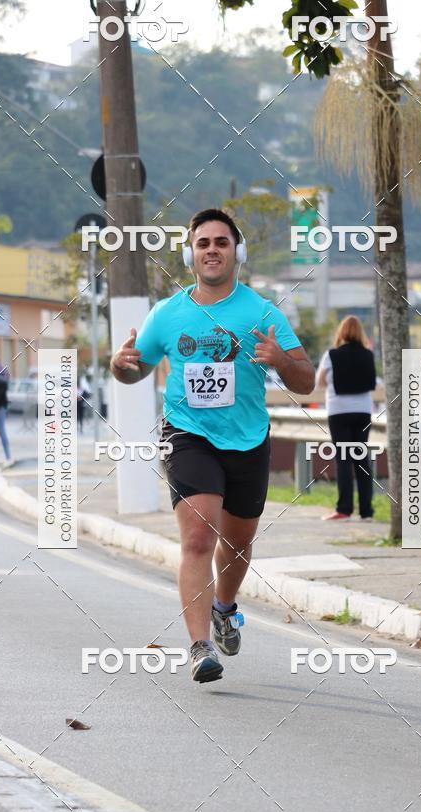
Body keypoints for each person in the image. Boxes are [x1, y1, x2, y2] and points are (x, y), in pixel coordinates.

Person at [110, 208, 315, 683]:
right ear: (190, 254)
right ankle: (201, 646)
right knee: (199, 535)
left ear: (236, 253)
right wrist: (120, 364)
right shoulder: (167, 313)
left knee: (238, 543)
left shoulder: (262, 312)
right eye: (203, 243)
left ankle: (224, 607)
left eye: (221, 242)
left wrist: (281, 359)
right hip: (187, 435)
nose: (212, 251)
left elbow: (304, 381)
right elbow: (133, 370)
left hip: (246, 439)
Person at [316, 315, 376, 521]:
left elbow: (320, 381)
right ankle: (366, 511)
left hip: (338, 411)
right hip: (363, 411)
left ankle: (344, 509)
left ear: (340, 332)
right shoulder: (368, 355)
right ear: (361, 333)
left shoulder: (331, 355)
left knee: (343, 459)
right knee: (361, 459)